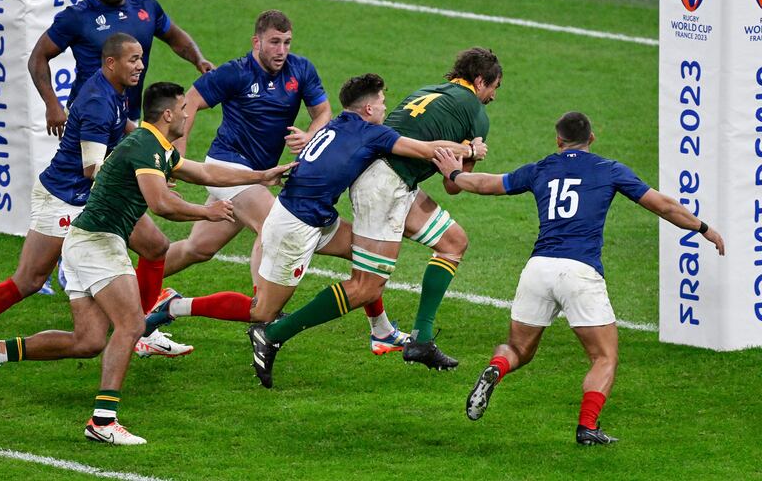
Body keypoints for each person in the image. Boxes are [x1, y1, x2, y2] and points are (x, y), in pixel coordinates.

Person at [0, 82, 294, 445]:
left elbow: (204, 173)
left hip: (84, 242)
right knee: (131, 325)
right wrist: (208, 211)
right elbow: (161, 204)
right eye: (183, 109)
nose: (188, 114)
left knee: (89, 341)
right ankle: (103, 421)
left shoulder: (155, 145)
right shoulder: (145, 146)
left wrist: (260, 176)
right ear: (168, 114)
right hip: (98, 243)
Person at [145, 74, 480, 374]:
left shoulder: (337, 123)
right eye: (381, 102)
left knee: (366, 262)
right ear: (367, 109)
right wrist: (469, 149)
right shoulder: (371, 133)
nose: (384, 107)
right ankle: (173, 306)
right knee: (261, 312)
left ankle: (381, 330)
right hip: (295, 226)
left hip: (318, 219)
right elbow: (428, 149)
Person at [431, 111, 725, 445]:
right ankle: (587, 427)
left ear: (559, 140)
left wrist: (454, 173)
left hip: (538, 269)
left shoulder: (541, 168)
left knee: (517, 349)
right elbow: (663, 205)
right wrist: (702, 227)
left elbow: (488, 184)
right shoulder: (609, 169)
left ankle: (497, 368)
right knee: (604, 357)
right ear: (592, 138)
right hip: (580, 272)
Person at [248, 48, 501, 384]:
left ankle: (421, 340)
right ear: (480, 81)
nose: (493, 96)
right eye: (494, 87)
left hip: (391, 180)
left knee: (453, 241)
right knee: (366, 287)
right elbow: (453, 185)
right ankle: (273, 333)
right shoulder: (477, 115)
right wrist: (471, 153)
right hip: (386, 188)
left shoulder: (427, 91)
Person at [159, 10, 406, 351]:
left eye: (287, 42)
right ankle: (264, 314)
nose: (281, 50)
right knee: (270, 224)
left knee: (197, 248)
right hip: (227, 168)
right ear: (256, 41)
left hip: (261, 176)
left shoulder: (300, 70)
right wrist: (177, 156)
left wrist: (310, 135)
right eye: (274, 42)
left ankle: (133, 285)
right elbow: (190, 103)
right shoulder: (235, 72)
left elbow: (323, 112)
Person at [0, 33, 187, 359]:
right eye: (133, 59)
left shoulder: (117, 89)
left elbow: (122, 126)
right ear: (111, 63)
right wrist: (145, 177)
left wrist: (148, 150)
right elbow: (92, 168)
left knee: (155, 246)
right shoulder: (97, 102)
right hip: (65, 197)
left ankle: (140, 331)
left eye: (141, 58)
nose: (141, 65)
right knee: (29, 280)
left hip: (98, 197)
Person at [29, 0, 213, 133]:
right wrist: (52, 104)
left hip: (128, 116)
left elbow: (175, 36)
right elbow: (38, 57)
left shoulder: (146, 6)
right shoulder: (76, 17)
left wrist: (199, 60)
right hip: (89, 115)